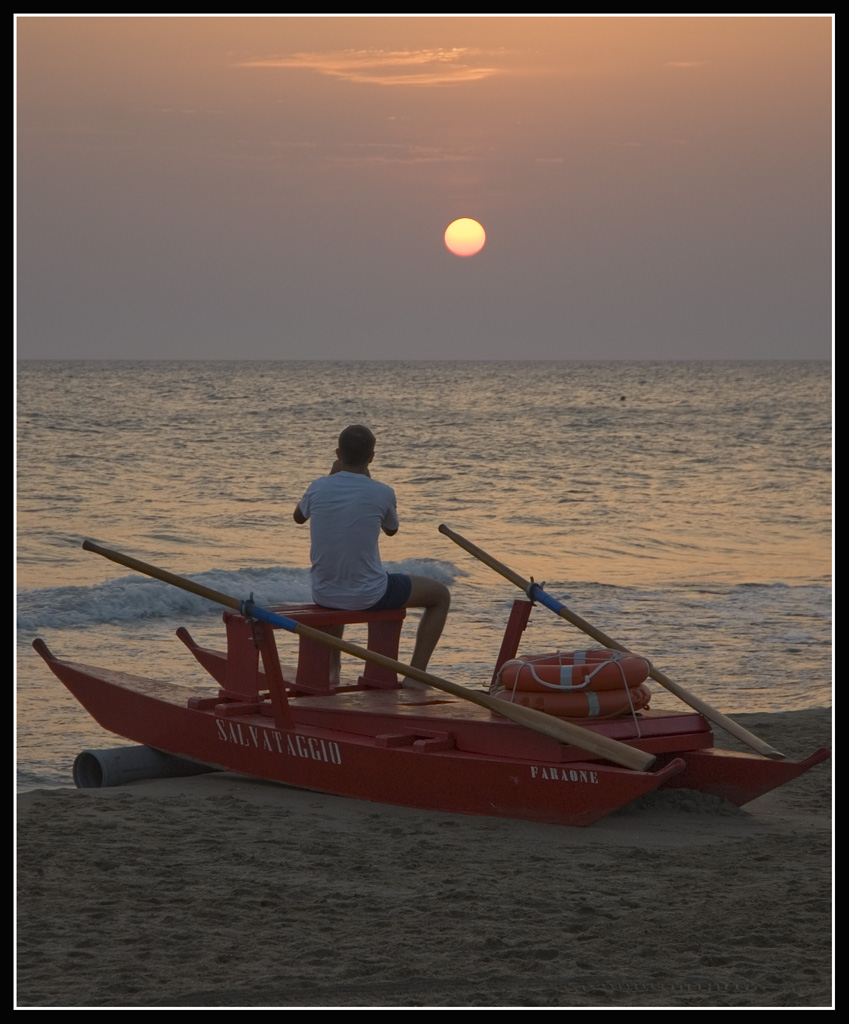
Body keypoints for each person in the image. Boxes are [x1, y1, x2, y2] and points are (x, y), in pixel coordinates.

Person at [293, 425, 450, 684]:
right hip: (370, 594)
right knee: (440, 596)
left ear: (337, 454)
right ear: (371, 457)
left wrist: (330, 475)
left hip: (324, 592)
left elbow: (299, 517)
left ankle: (333, 672)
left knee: (341, 583)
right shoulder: (382, 491)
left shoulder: (318, 487)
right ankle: (416, 676)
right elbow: (392, 529)